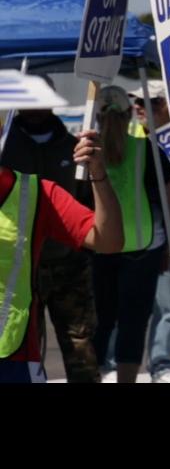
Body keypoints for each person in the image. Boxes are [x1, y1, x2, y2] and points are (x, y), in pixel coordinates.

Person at [0, 113, 123, 383]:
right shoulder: (18, 147)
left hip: (14, 359)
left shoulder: (37, 192)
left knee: (81, 352)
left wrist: (98, 173)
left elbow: (109, 240)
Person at [89, 86, 170, 383]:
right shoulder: (147, 150)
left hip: (97, 248)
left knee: (98, 324)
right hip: (143, 247)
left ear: (96, 117)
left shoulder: (86, 152)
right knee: (133, 324)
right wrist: (169, 247)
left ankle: (93, 376)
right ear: (129, 116)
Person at [133, 82, 170, 382]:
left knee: (167, 306)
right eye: (137, 102)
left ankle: (160, 364)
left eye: (151, 102)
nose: (141, 107)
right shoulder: (129, 137)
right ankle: (112, 363)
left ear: (168, 106)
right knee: (123, 306)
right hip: (131, 238)